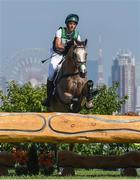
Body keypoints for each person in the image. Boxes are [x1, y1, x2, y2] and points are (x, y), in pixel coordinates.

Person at [44, 14, 81, 107]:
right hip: (57, 55)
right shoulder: (60, 31)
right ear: (67, 24)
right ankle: (49, 98)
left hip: (69, 57)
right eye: (70, 23)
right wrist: (68, 46)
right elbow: (57, 45)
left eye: (74, 24)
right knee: (51, 74)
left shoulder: (77, 35)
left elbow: (79, 47)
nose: (72, 26)